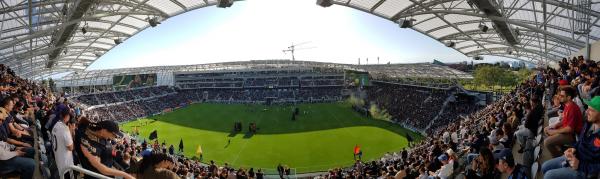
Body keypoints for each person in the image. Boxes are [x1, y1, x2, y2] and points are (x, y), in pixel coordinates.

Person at [541, 96, 600, 178]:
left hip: (584, 170)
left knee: (548, 176)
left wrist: (579, 165)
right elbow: (580, 141)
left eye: (592, 110)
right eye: (588, 108)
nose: (587, 112)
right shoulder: (589, 123)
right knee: (544, 166)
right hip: (575, 156)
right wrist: (573, 148)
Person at [544, 87, 584, 157]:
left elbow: (570, 129)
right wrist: (556, 125)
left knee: (547, 142)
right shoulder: (567, 105)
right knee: (546, 129)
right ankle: (561, 148)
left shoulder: (572, 108)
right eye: (560, 95)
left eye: (562, 96)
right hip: (566, 130)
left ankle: (559, 157)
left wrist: (555, 132)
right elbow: (565, 119)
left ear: (568, 97)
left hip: (572, 135)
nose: (559, 97)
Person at [51, 107, 75, 178]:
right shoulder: (65, 130)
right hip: (66, 164)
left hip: (58, 159)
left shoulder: (56, 125)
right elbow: (71, 147)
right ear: (67, 116)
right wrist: (71, 130)